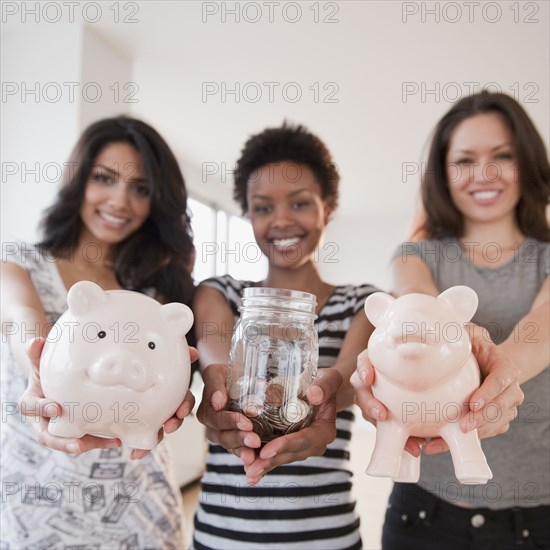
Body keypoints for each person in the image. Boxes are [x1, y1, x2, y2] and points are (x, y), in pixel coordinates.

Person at [354, 92, 549, 549]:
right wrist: (440, 337)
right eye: (464, 160)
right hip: (424, 511)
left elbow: (542, 329)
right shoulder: (415, 256)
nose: (484, 174)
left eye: (503, 156)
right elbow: (417, 304)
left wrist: (499, 371)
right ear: (443, 173)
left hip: (537, 517)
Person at [1, 116, 197, 549]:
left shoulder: (156, 290)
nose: (120, 201)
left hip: (138, 503)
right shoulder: (19, 264)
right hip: (38, 500)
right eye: (104, 178)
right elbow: (22, 322)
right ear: (78, 182)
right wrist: (38, 367)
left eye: (140, 188)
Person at [191, 123, 379, 549]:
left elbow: (351, 374)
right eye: (262, 207)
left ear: (327, 208)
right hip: (224, 534)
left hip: (324, 534)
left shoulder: (363, 303)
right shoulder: (220, 293)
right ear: (249, 215)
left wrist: (326, 394)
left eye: (299, 202)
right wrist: (221, 390)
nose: (280, 220)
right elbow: (216, 353)